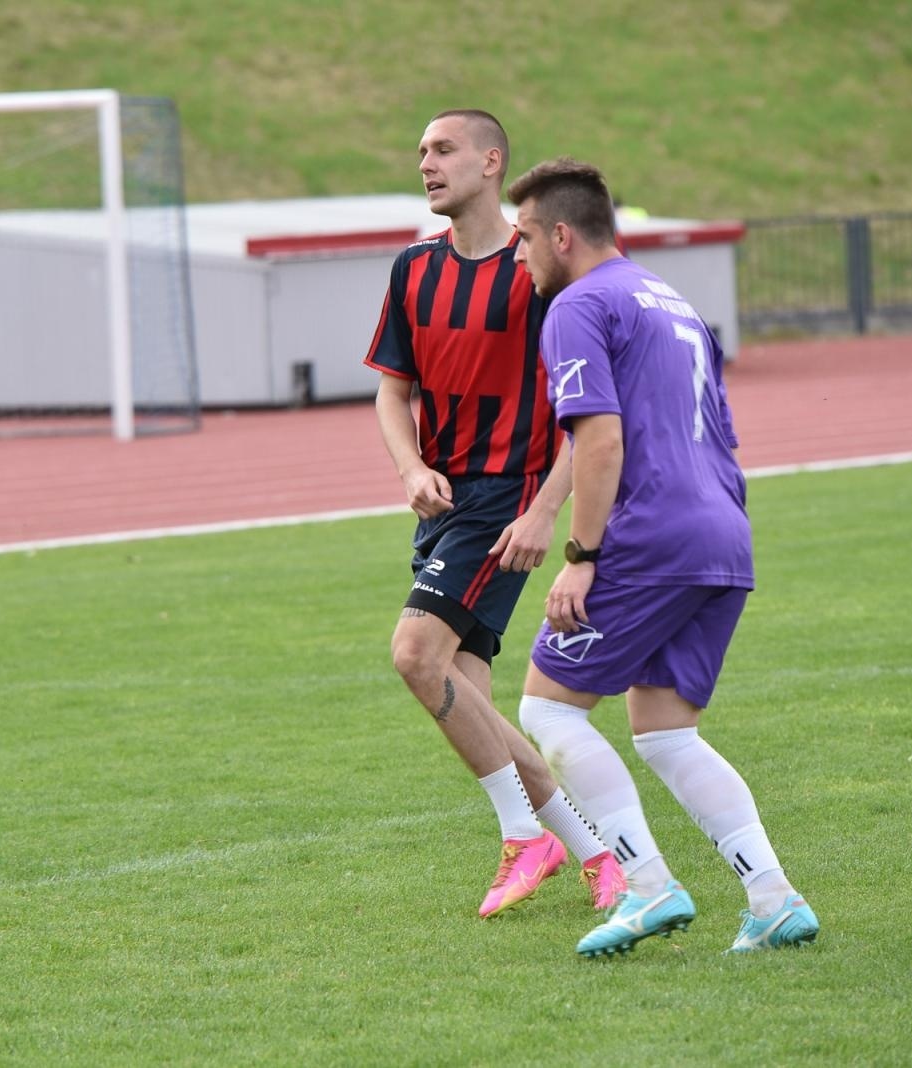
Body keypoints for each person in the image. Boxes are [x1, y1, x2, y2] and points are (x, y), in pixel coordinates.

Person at [506, 156, 819, 956]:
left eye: (525, 238)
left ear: (563, 235)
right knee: (665, 731)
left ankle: (646, 887)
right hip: (723, 532)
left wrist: (581, 554)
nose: (518, 256)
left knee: (548, 708)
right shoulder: (673, 301)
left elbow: (599, 438)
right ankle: (774, 898)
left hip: (651, 537)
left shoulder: (577, 305)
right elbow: (718, 432)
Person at [365, 111, 624, 919]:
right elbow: (391, 389)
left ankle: (524, 833)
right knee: (467, 693)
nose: (427, 165)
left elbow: (588, 414)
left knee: (415, 655)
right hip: (444, 506)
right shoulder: (413, 270)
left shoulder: (539, 269)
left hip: (504, 497)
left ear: (490, 160)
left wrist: (549, 511)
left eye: (441, 151)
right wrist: (409, 466)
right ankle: (600, 856)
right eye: (420, 154)